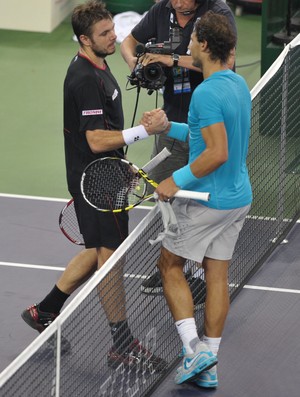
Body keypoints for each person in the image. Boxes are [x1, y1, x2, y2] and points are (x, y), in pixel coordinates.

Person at [21, 0, 168, 372]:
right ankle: (121, 345)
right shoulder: (85, 78)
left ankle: (46, 310)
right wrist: (143, 132)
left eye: (111, 29)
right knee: (111, 260)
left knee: (101, 251)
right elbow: (94, 140)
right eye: (104, 34)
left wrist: (123, 164)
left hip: (107, 172)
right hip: (95, 182)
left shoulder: (98, 64)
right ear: (84, 39)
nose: (113, 37)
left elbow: (105, 137)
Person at [147, 11, 252, 388]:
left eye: (192, 39)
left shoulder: (205, 92)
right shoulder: (237, 84)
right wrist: (166, 127)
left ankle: (194, 350)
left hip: (208, 200)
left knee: (169, 265)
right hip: (238, 198)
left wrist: (176, 179)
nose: (187, 44)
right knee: (216, 274)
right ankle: (210, 362)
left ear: (205, 45)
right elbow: (206, 136)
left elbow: (216, 152)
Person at [120, 0, 236, 299]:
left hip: (207, 124)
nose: (178, 3)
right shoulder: (161, 11)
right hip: (171, 120)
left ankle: (197, 274)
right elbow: (129, 42)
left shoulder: (217, 13)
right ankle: (174, 263)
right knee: (167, 196)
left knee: (199, 201)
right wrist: (138, 67)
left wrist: (170, 58)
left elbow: (225, 63)